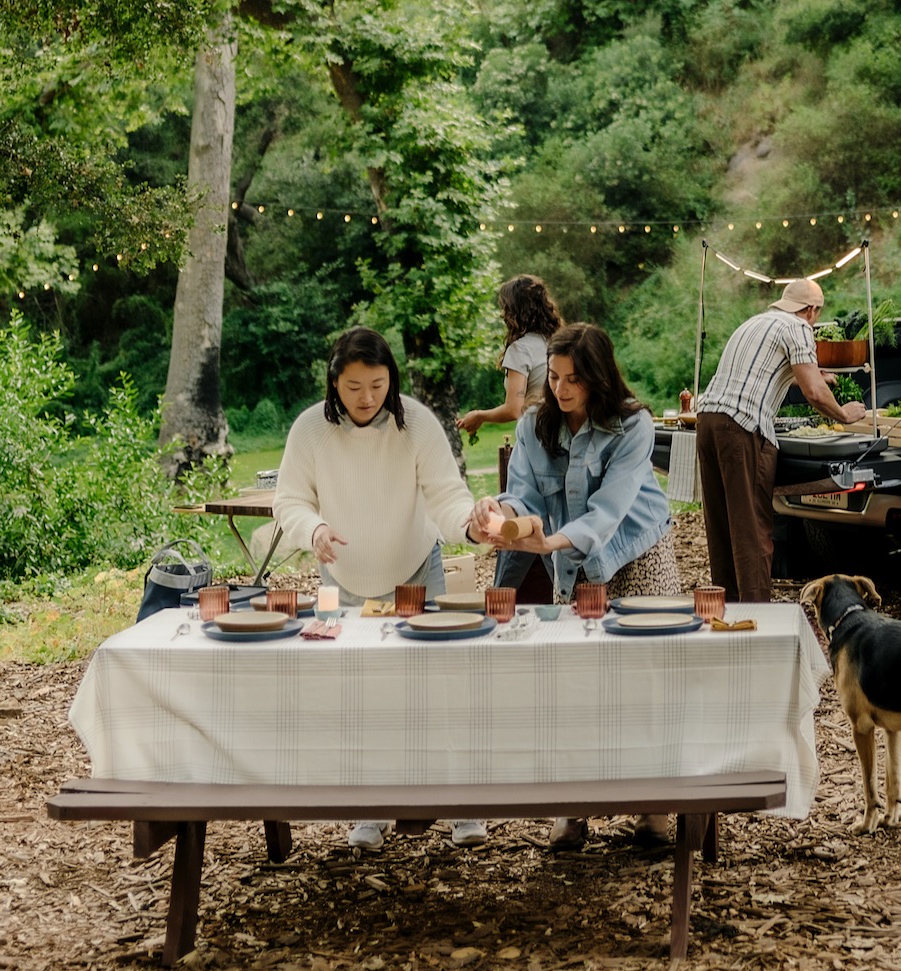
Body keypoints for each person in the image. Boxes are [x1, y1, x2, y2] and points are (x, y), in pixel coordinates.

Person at [274, 326, 489, 850]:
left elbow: (446, 494)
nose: (367, 398)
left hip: (416, 566)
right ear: (334, 384)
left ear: (390, 380)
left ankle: (461, 807)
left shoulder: (415, 423)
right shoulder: (309, 431)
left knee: (441, 687)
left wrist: (472, 524)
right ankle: (372, 809)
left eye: (377, 384)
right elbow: (289, 501)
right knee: (363, 695)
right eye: (354, 387)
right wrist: (314, 529)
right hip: (344, 581)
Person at [468, 322, 680, 851]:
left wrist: (552, 543)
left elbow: (608, 513)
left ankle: (653, 809)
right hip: (569, 556)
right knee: (573, 681)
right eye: (555, 378)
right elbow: (523, 495)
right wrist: (499, 512)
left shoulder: (633, 426)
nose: (560, 390)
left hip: (636, 554)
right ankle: (572, 806)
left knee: (643, 680)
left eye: (573, 380)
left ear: (598, 377)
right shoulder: (535, 427)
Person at [695, 278, 867, 603]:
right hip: (741, 428)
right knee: (752, 529)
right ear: (812, 310)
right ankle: (758, 615)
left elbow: (764, 372)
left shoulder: (752, 323)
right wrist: (843, 414)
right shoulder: (798, 327)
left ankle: (728, 610)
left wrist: (816, 374)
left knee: (721, 527)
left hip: (708, 421)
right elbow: (813, 392)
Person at [457, 275, 563, 603]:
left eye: (505, 308)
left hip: (533, 450)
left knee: (516, 523)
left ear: (515, 311)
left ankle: (498, 603)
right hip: (564, 449)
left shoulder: (520, 349)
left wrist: (480, 416)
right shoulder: (558, 342)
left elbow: (515, 408)